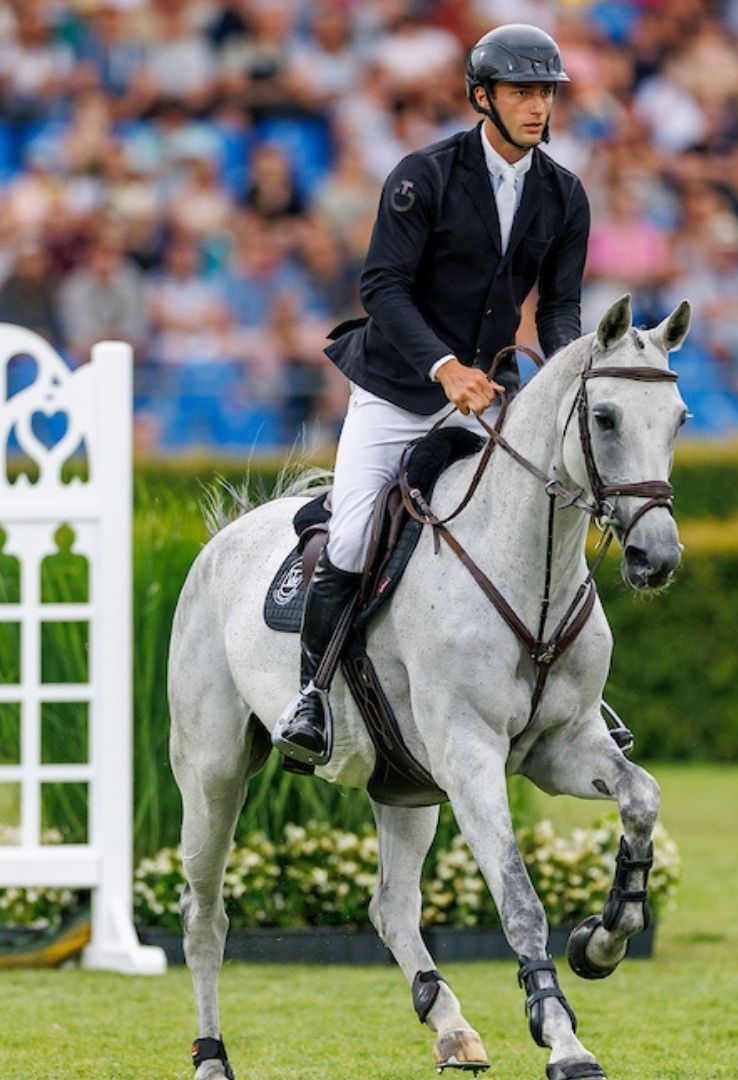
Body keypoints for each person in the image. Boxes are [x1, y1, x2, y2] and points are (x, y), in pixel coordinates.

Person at [273, 24, 592, 767]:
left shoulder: (564, 195)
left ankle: (577, 692)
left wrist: (567, 372)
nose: (537, 106)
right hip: (396, 390)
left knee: (540, 521)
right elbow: (381, 287)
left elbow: (557, 309)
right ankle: (310, 695)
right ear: (484, 97)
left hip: (487, 395)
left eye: (545, 92)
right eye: (521, 92)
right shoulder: (426, 175)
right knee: (353, 536)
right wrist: (445, 368)